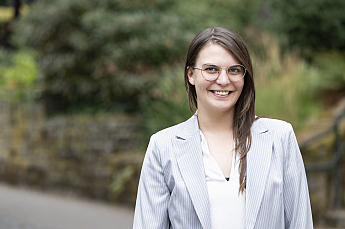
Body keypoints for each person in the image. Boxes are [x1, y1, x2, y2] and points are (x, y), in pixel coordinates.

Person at [133, 27, 313, 229]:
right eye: (211, 69)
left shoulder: (280, 137)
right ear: (191, 75)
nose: (224, 80)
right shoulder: (163, 146)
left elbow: (300, 222)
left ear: (245, 76)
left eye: (234, 70)